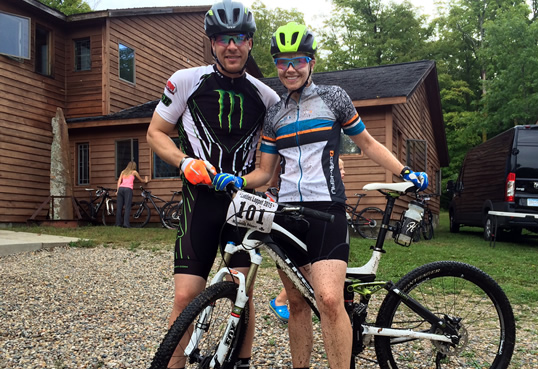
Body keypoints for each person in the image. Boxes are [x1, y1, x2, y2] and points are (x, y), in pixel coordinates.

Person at [211, 22, 427, 369]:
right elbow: (266, 172)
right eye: (282, 62)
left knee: (328, 298)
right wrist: (234, 180)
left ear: (311, 61)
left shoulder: (334, 98)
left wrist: (404, 171)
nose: (290, 68)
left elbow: (367, 143)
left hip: (327, 210)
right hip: (287, 216)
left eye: (298, 60)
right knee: (297, 303)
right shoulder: (274, 113)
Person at [146, 1, 280, 368]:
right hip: (200, 201)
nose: (231, 46)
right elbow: (156, 133)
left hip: (244, 204)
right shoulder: (186, 80)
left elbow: (273, 163)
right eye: (223, 39)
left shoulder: (267, 97)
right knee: (186, 297)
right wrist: (184, 161)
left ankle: (242, 362)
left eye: (239, 38)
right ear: (211, 42)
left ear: (250, 43)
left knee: (243, 292)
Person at [269, 159, 347, 323]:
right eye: (340, 168)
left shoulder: (335, 188)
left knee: (316, 276)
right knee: (306, 275)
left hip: (326, 221)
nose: (343, 172)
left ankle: (282, 300)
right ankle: (280, 300)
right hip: (296, 213)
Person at [115, 161, 148, 228]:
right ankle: (126, 224)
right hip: (128, 189)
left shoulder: (123, 172)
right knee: (127, 207)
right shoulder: (134, 172)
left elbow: (119, 181)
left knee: (119, 207)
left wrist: (117, 190)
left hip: (121, 189)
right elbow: (141, 180)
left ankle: (118, 223)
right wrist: (145, 180)